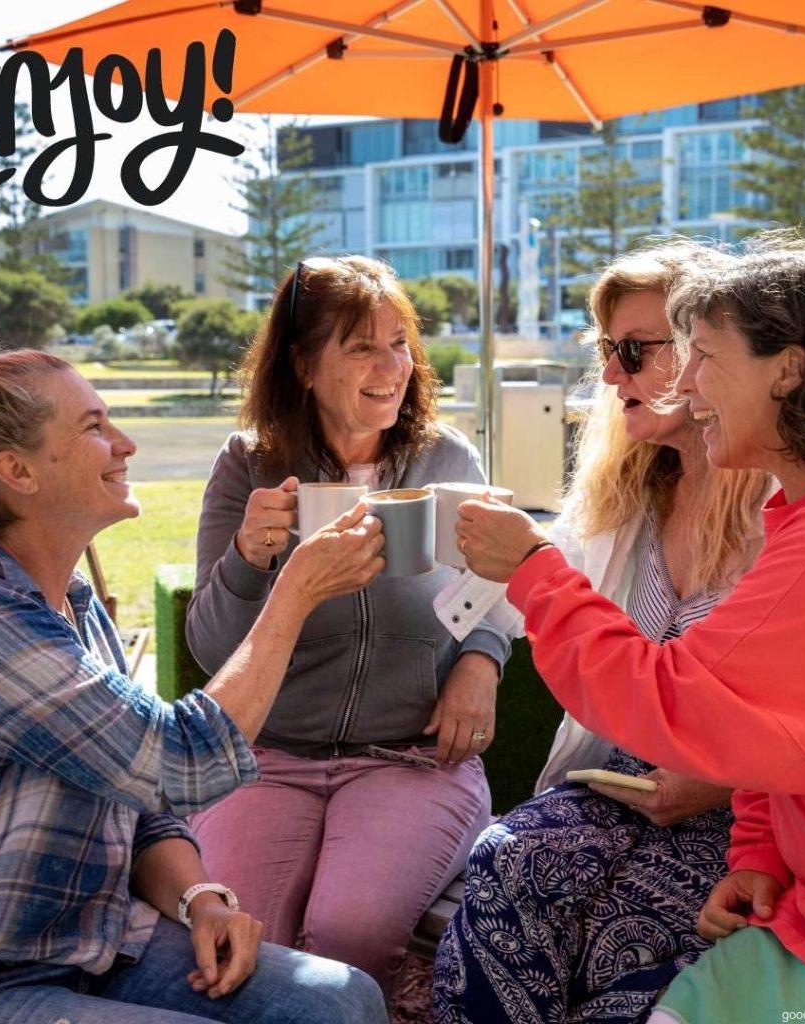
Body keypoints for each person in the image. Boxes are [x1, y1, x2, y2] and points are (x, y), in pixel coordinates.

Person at [454, 238, 805, 1021]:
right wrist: (763, 856)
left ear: (790, 367)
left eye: (703, 357)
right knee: (513, 871)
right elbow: (792, 735)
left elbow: (674, 699)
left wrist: (535, 570)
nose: (690, 383)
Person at [0, 323, 389, 1024]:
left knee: (343, 1001)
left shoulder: (71, 603)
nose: (125, 444)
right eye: (94, 427)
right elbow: (180, 760)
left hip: (95, 946)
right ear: (19, 472)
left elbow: (142, 802)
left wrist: (201, 899)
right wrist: (296, 592)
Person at [432, 242, 770, 1024]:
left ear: (708, 354)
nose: (611, 376)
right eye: (605, 350)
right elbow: (530, 594)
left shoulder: (796, 513)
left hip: (756, 811)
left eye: (634, 351)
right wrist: (472, 642)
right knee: (508, 865)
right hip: (621, 784)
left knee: (629, 942)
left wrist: (726, 780)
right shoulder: (629, 491)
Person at [185, 255, 510, 996]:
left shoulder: (446, 456)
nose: (391, 365)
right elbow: (209, 650)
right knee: (248, 940)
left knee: (348, 932)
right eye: (362, 346)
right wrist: (246, 558)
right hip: (267, 758)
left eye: (400, 344)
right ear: (303, 366)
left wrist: (481, 661)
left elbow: (496, 580)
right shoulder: (249, 468)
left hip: (408, 757)